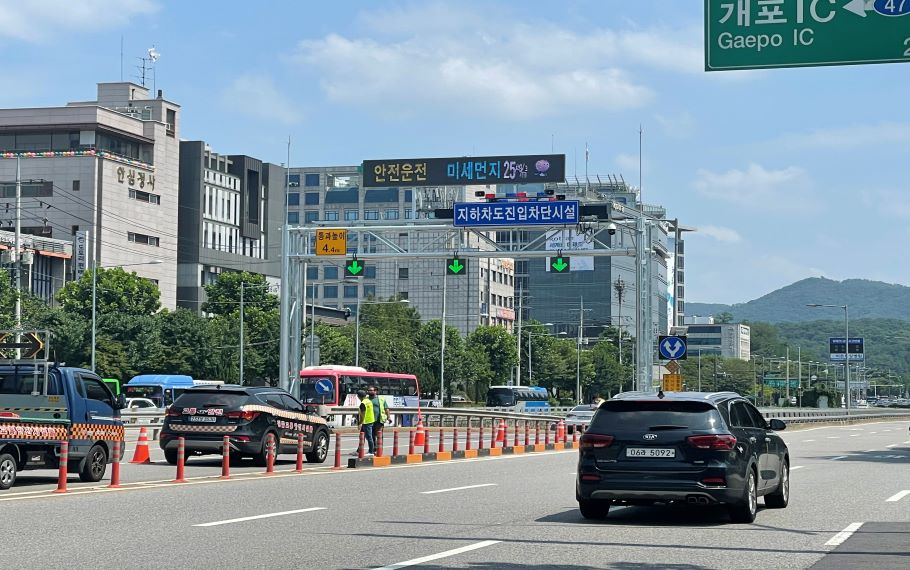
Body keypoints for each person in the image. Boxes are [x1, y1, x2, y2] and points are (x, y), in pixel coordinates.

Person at [355, 389, 375, 456]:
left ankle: (371, 451)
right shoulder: (368, 401)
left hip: (366, 422)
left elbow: (363, 414)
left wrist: (360, 423)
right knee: (362, 436)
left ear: (358, 396)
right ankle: (359, 450)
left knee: (369, 437)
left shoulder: (363, 403)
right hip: (370, 420)